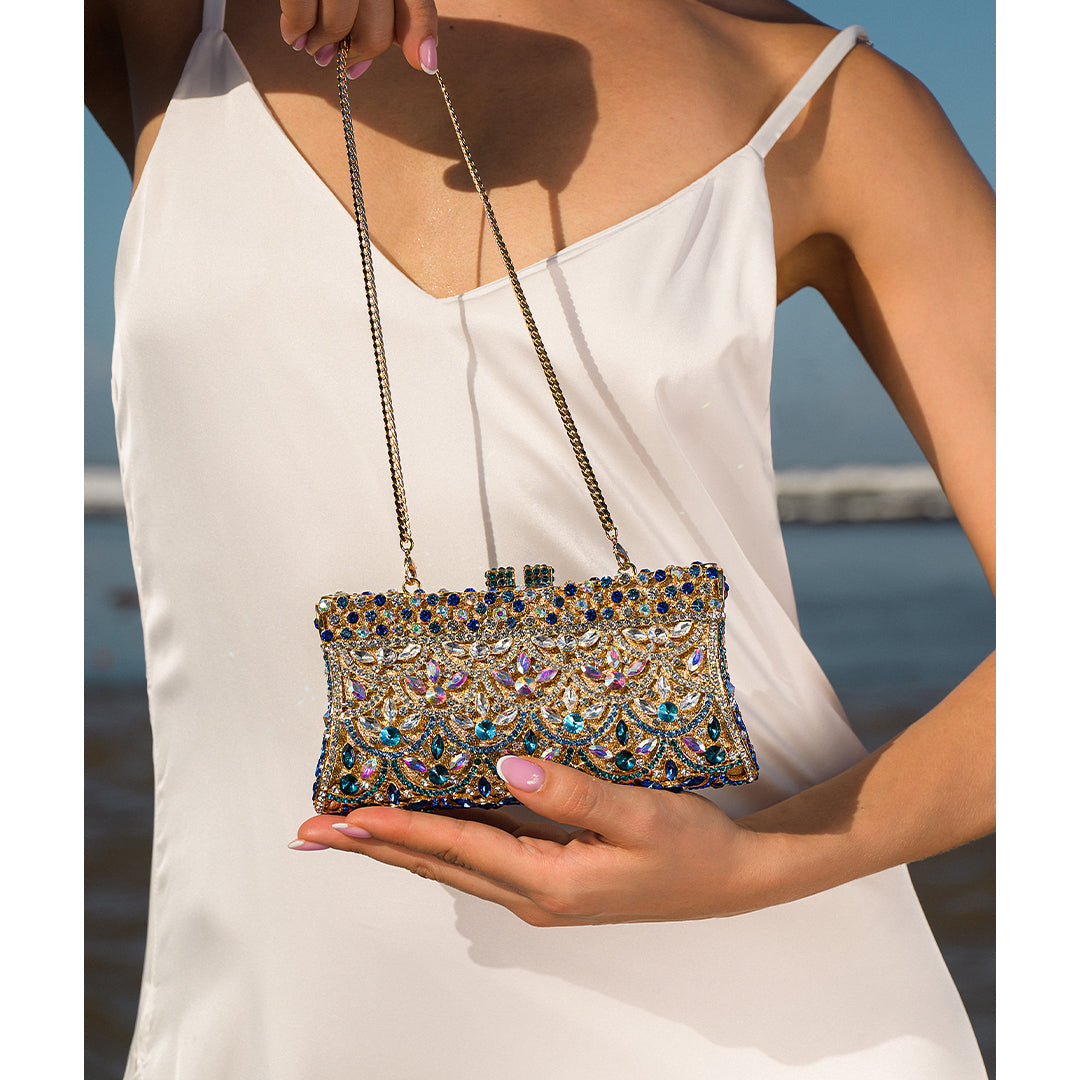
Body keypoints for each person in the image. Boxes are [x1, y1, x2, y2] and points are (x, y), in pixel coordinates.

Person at [85, 0, 994, 1076]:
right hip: (287, 1014)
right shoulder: (180, 31)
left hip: (767, 1010)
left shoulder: (817, 100)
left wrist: (757, 864)